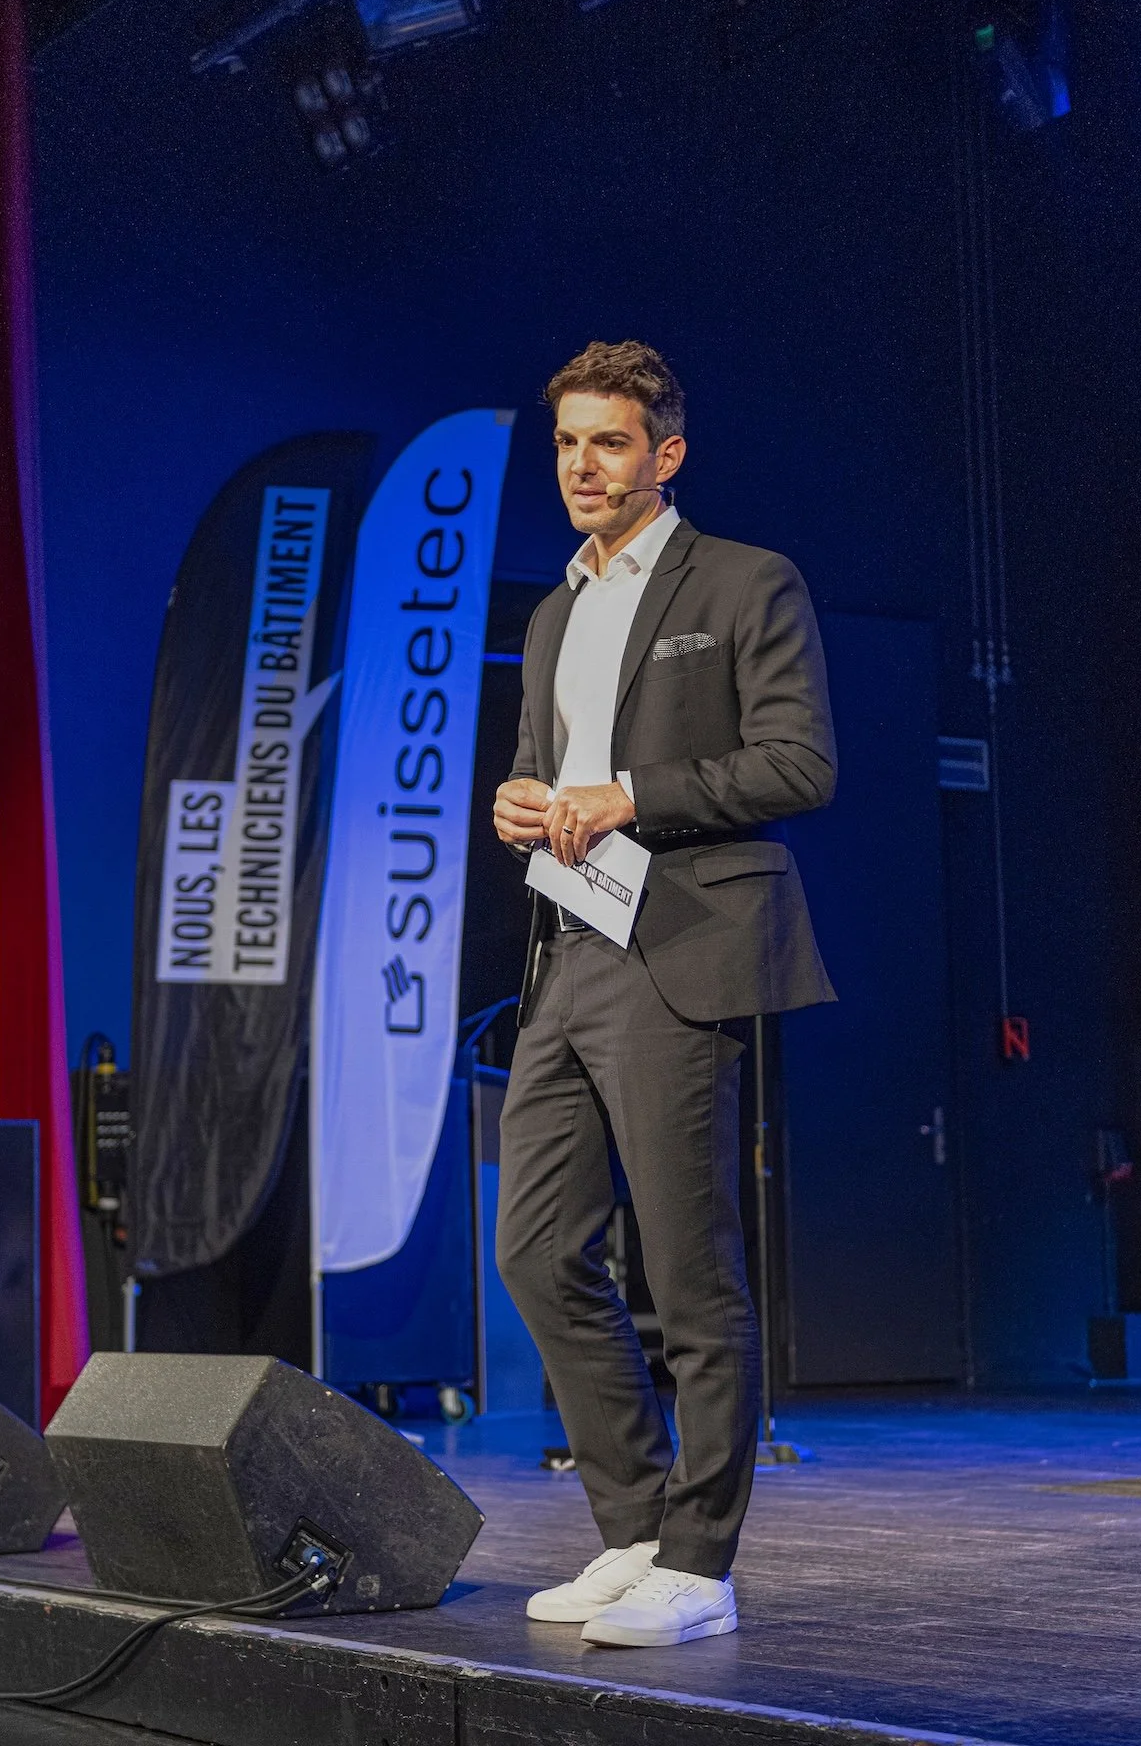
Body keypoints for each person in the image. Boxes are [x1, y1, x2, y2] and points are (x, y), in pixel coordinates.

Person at [491, 340, 836, 1647]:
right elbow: (545, 770)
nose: (584, 465)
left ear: (665, 455)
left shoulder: (746, 582)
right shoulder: (552, 611)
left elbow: (800, 765)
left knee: (690, 1277)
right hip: (566, 958)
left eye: (611, 443)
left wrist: (627, 797)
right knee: (536, 1252)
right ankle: (632, 1530)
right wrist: (524, 807)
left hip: (678, 951)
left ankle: (702, 1559)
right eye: (570, 442)